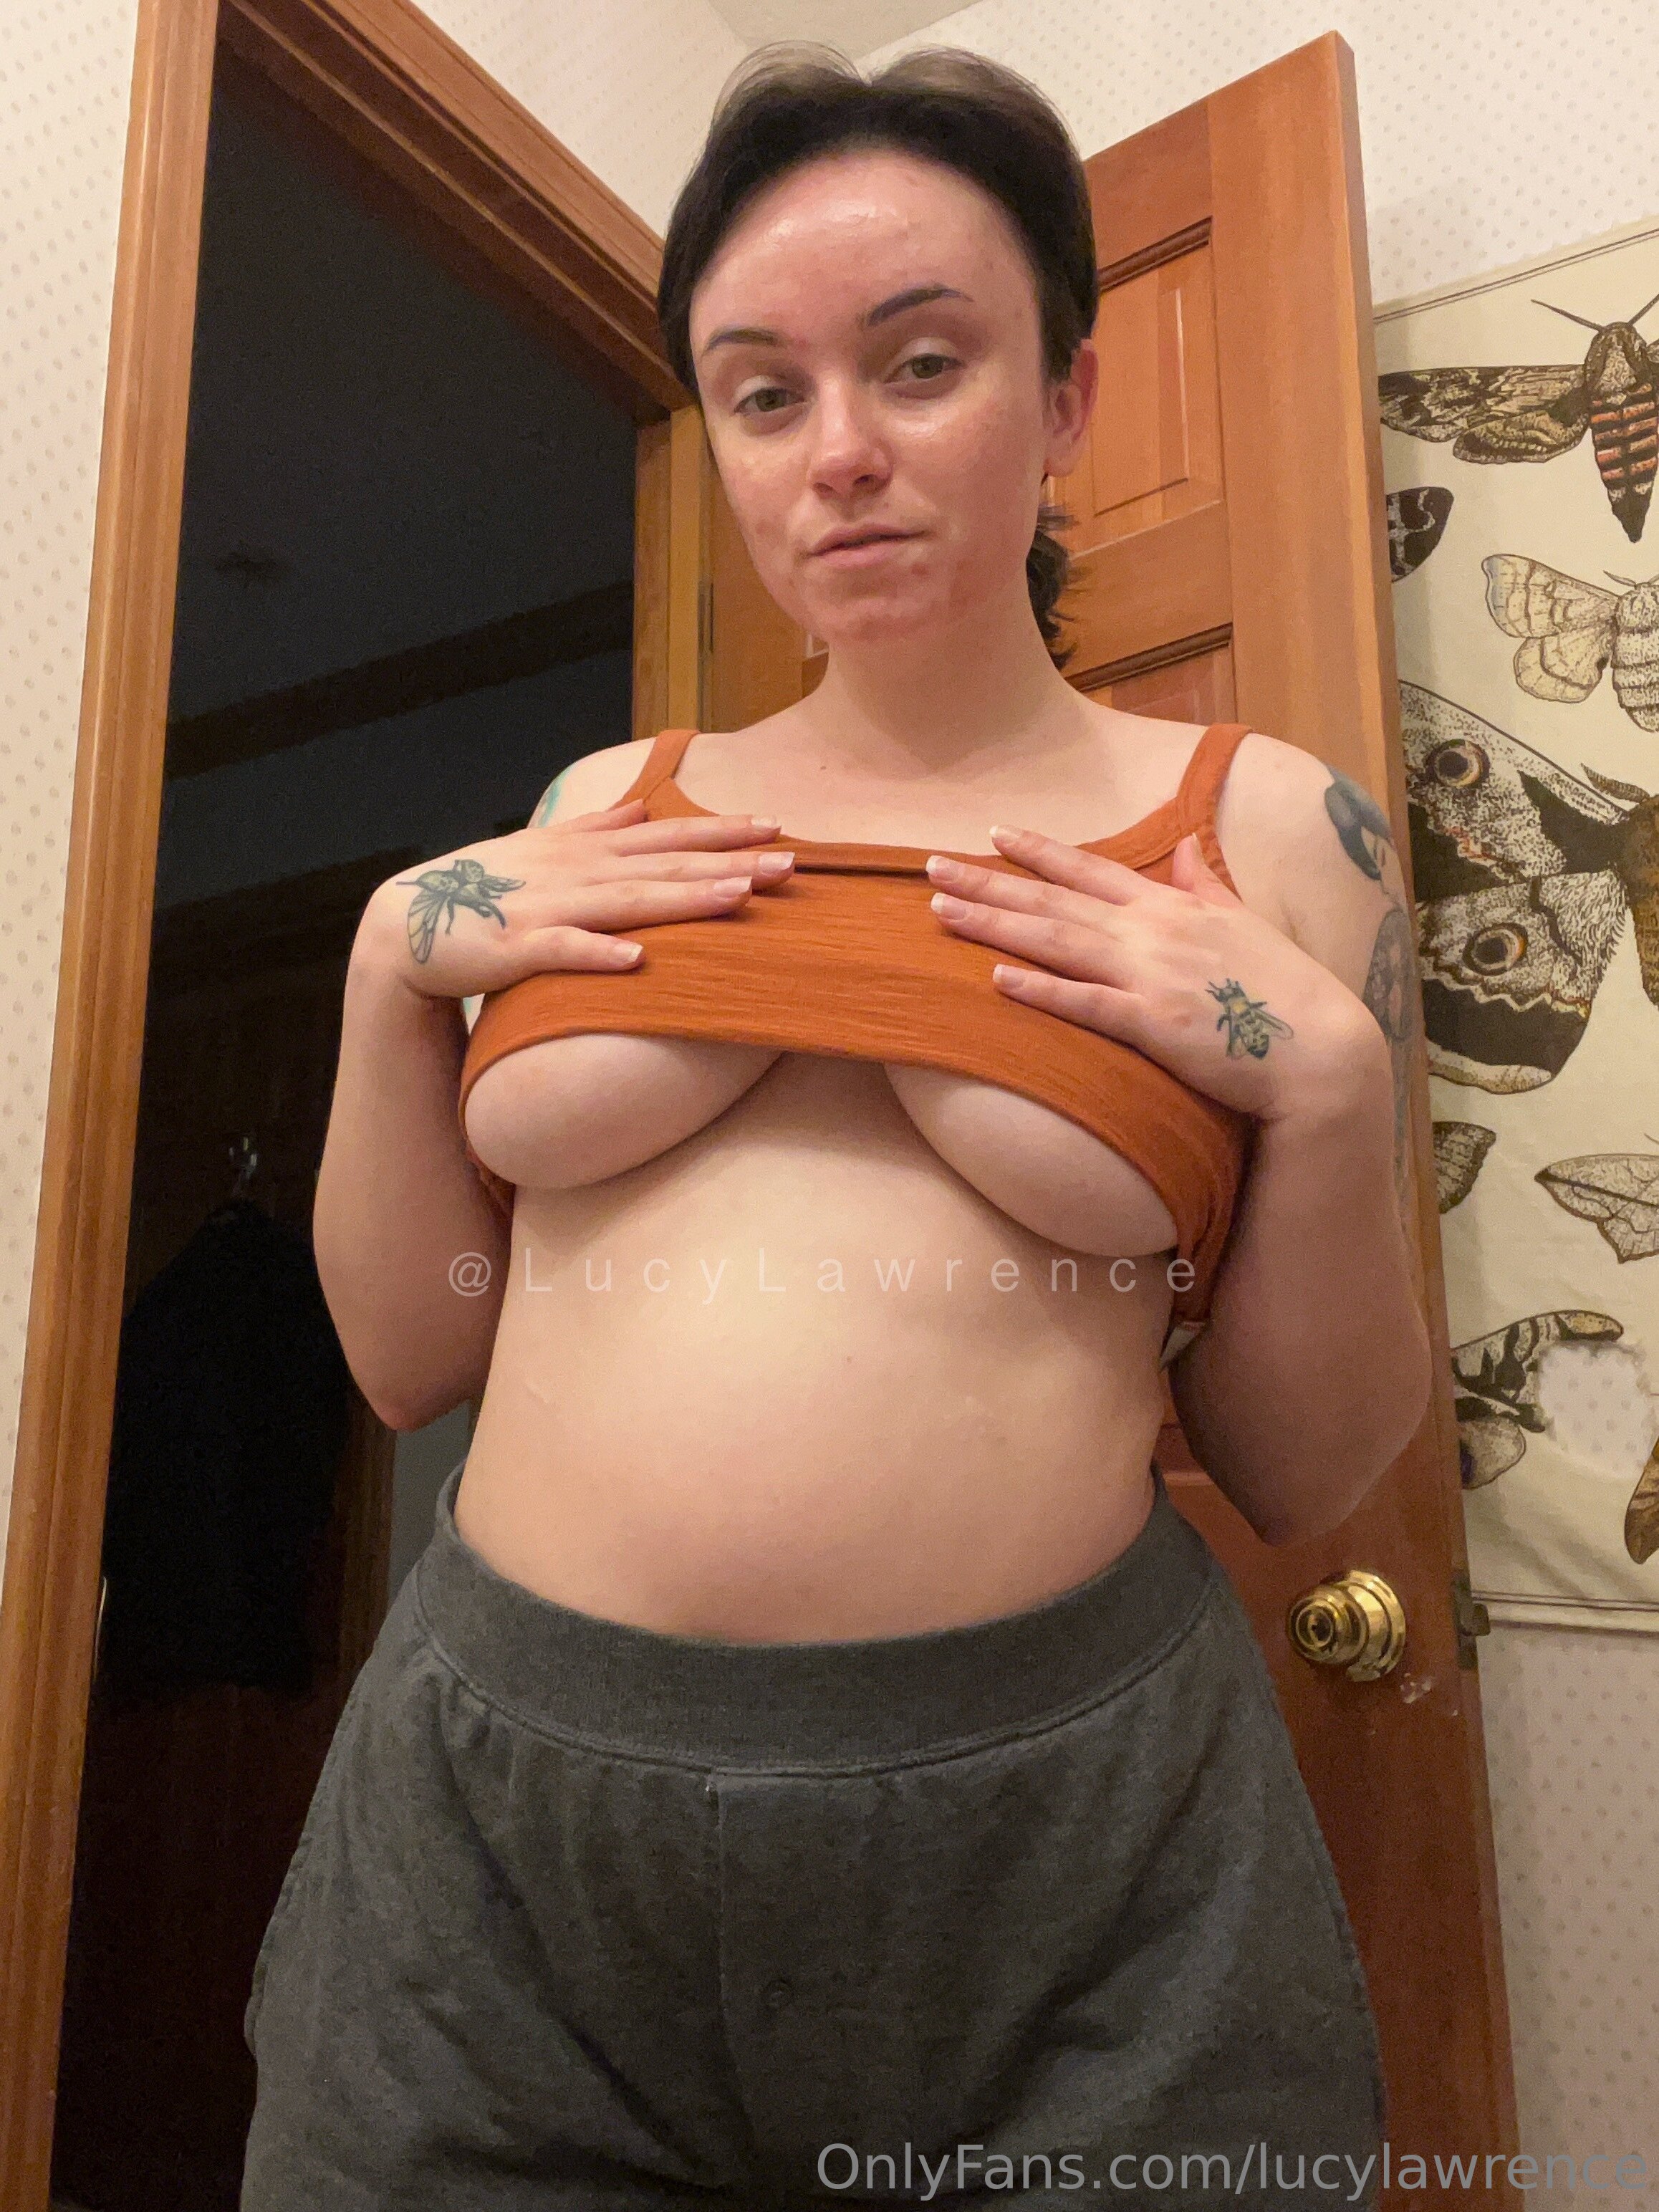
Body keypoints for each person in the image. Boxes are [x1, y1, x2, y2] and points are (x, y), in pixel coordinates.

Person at [240, 45, 1430, 2212]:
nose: (842, 454)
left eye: (922, 363)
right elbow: (414, 1354)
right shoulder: (605, 807)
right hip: (500, 1816)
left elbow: (1302, 1464)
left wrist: (1325, 1085)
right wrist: (384, 966)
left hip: (1060, 1842)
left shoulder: (1269, 828)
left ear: (1066, 400)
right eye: (765, 393)